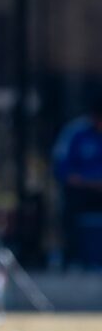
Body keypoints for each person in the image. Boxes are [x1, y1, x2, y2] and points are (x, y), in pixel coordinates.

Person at [51, 96, 102, 268]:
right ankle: (73, 257)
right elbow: (62, 169)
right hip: (82, 191)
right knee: (69, 206)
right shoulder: (75, 132)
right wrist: (88, 183)